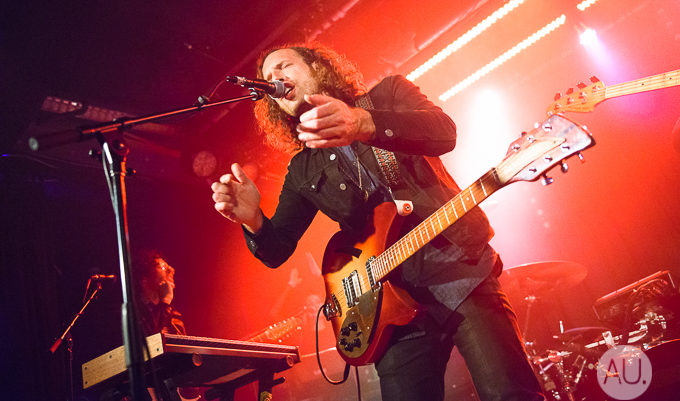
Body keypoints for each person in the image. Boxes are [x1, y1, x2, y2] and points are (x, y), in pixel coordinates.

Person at [210, 43, 544, 401]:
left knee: (512, 395)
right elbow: (276, 249)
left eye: (284, 66)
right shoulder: (302, 169)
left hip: (460, 273)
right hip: (391, 310)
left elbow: (445, 132)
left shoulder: (389, 93)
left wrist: (363, 123)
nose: (273, 77)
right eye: (267, 76)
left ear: (317, 68)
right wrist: (253, 220)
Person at [133, 249, 186, 336]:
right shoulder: (134, 314)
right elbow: (152, 340)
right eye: (162, 267)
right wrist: (165, 301)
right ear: (144, 280)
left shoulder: (174, 318)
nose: (171, 270)